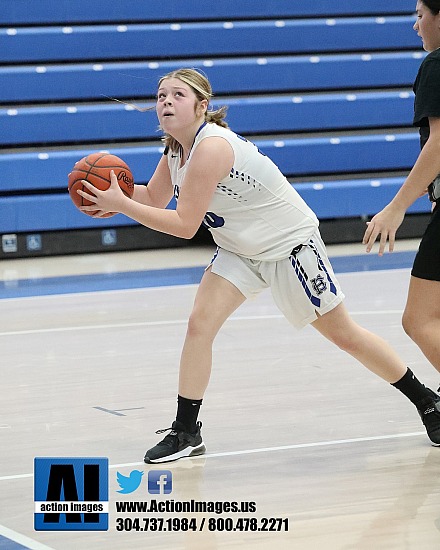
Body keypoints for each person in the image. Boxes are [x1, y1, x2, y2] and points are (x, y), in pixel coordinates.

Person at [77, 68, 440, 463]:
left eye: (177, 95)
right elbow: (154, 199)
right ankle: (185, 430)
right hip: (239, 249)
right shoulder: (175, 149)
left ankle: (426, 401)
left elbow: (184, 225)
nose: (165, 101)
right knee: (199, 325)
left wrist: (123, 205)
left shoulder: (211, 147)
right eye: (162, 95)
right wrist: (115, 193)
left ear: (202, 106)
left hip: (289, 246)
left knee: (344, 335)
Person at [363, 1, 440, 379]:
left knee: (419, 319)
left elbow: (439, 143)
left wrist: (396, 207)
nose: (416, 26)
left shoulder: (436, 63)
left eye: (421, 16)